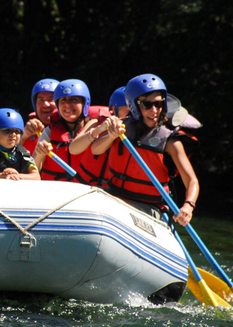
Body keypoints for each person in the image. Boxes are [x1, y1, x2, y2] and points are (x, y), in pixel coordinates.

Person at [91, 74, 200, 226]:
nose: (154, 110)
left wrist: (189, 205)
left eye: (158, 104)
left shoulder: (170, 141)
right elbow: (96, 150)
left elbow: (191, 180)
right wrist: (111, 136)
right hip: (114, 195)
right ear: (135, 106)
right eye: (147, 105)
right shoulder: (121, 128)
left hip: (149, 208)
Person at [33, 79, 109, 181]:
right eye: (63, 100)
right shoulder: (49, 131)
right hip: (56, 189)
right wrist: (39, 154)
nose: (67, 104)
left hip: (88, 189)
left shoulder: (96, 128)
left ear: (84, 104)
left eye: (74, 100)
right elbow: (33, 170)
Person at [72, 86, 127, 188]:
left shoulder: (136, 131)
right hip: (85, 186)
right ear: (114, 109)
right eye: (128, 110)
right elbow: (73, 149)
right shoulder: (96, 123)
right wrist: (100, 129)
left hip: (113, 192)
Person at [0, 108, 40, 181]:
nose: (13, 134)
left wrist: (16, 176)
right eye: (7, 131)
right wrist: (4, 175)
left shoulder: (23, 153)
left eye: (17, 131)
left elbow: (36, 177)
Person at [22, 78, 59, 154]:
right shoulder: (24, 129)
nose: (45, 104)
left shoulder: (76, 127)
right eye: (41, 100)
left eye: (51, 99)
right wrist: (25, 135)